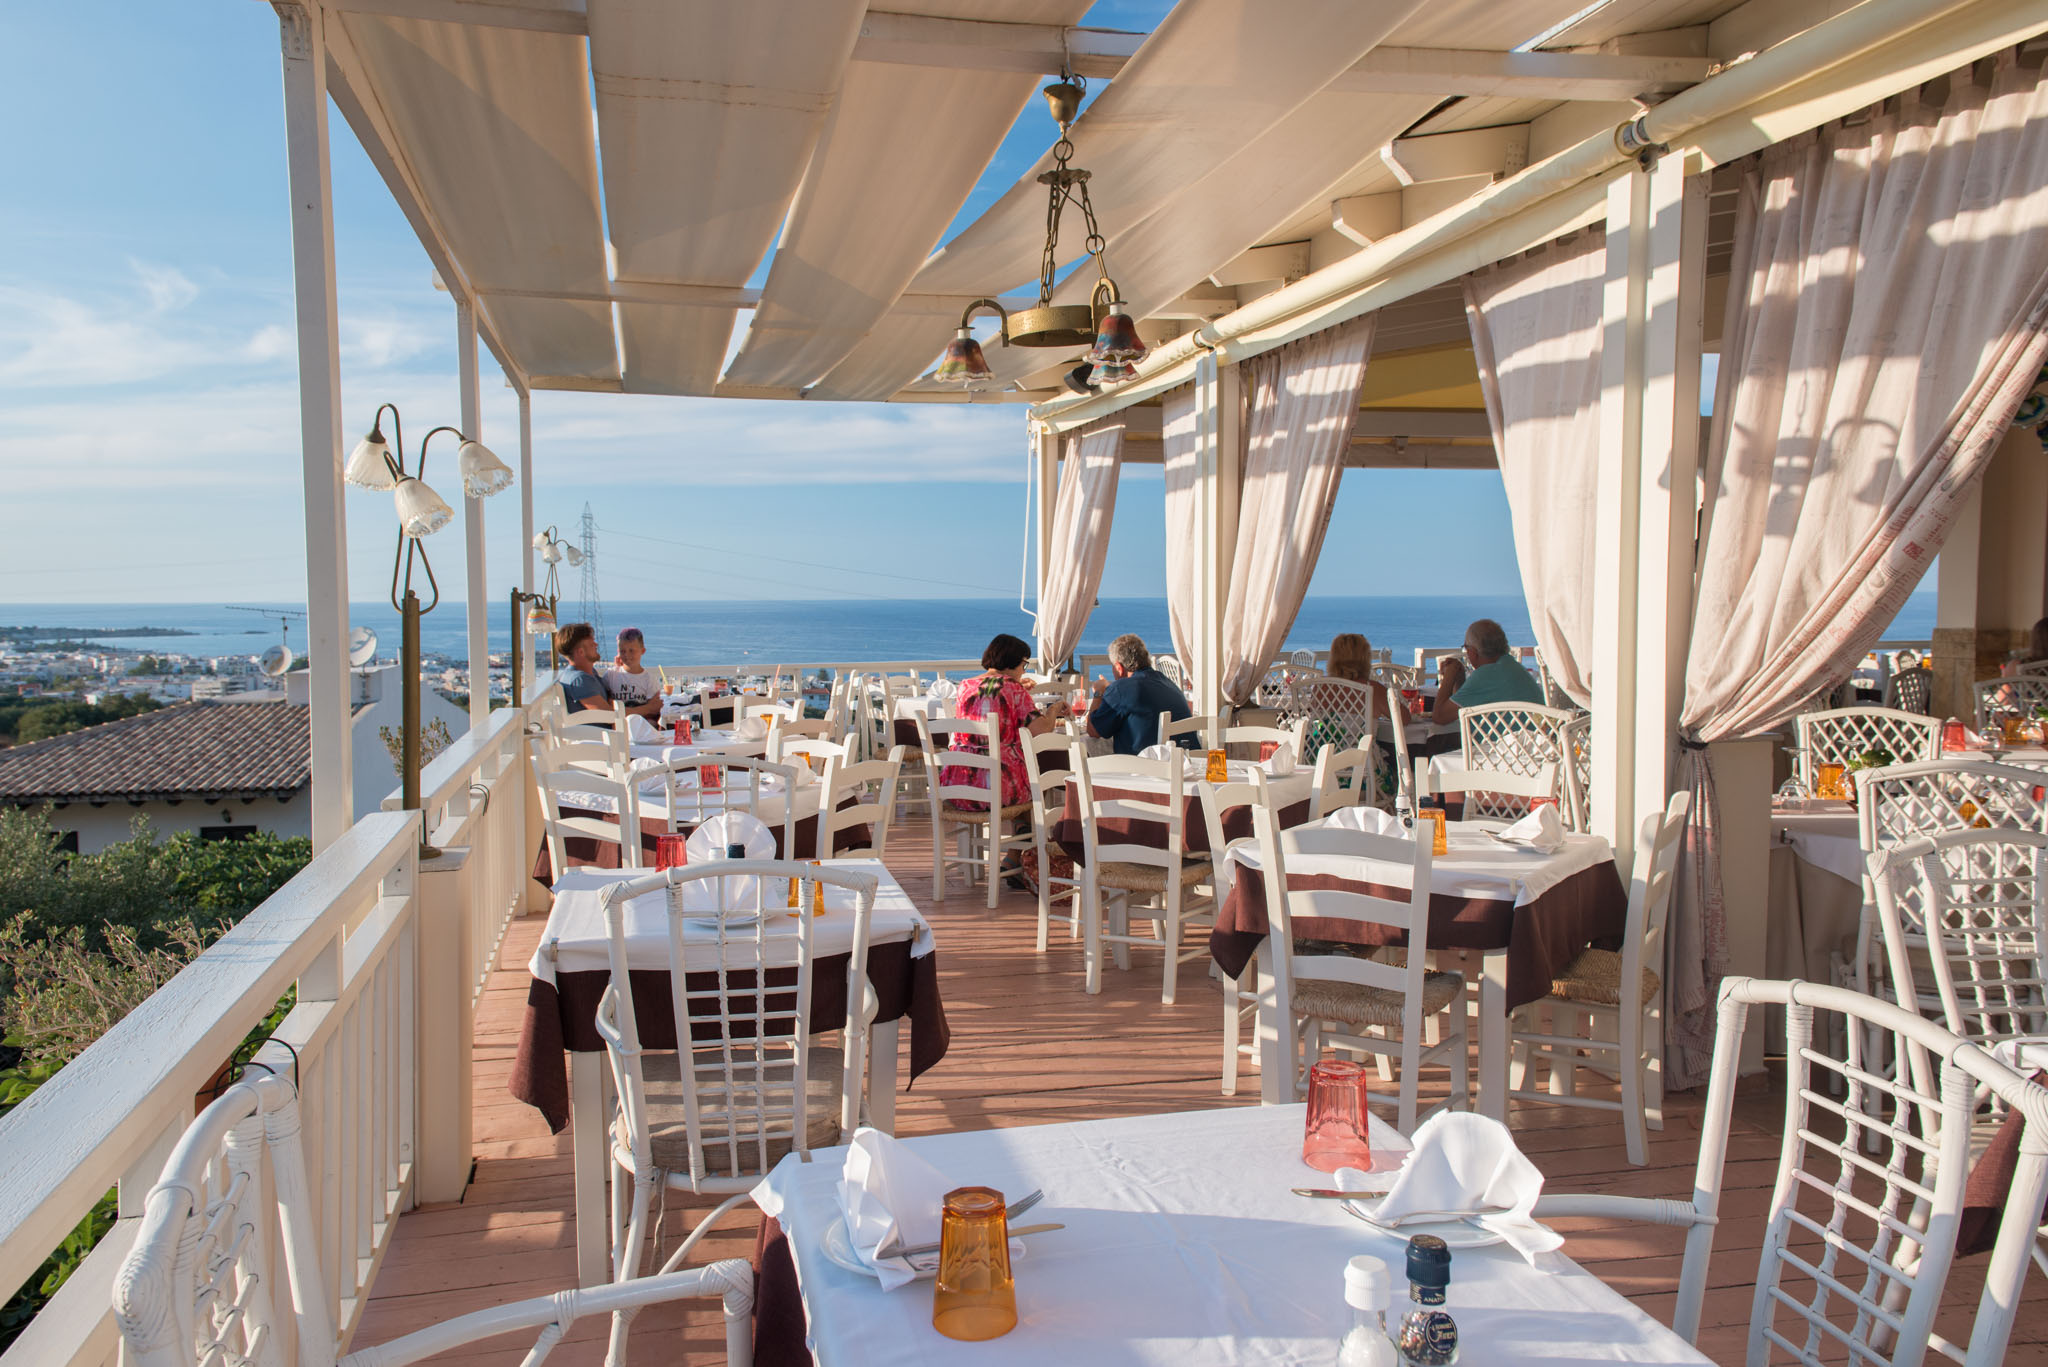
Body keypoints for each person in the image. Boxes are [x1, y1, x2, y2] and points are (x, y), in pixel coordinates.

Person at [941, 633, 1068, 810]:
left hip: (959, 785)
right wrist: (1054, 710)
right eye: (1024, 664)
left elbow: (990, 699)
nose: (1024, 670)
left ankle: (1022, 828)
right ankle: (1027, 831)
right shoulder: (1013, 689)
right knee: (1040, 777)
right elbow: (1042, 730)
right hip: (1000, 788)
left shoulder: (965, 686)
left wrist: (1019, 688)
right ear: (1012, 661)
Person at [1087, 633, 1193, 755]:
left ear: (1118, 668)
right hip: (1186, 763)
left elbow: (1093, 730)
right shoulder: (1169, 683)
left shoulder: (1121, 689)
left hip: (1146, 769)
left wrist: (1098, 693)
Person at [1430, 618, 1544, 726]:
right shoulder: (1512, 666)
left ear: (1473, 652)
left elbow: (1439, 717)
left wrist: (1449, 674)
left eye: (1466, 647)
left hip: (1499, 745)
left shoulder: (1485, 675)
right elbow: (1462, 708)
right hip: (1530, 742)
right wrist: (1459, 677)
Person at [602, 626, 663, 720]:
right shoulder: (611, 675)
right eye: (623, 651)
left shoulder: (649, 680)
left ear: (642, 651)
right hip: (618, 727)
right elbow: (607, 705)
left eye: (631, 651)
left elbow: (654, 710)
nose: (627, 655)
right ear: (618, 652)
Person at [553, 622, 610, 714]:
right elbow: (608, 715)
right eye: (592, 644)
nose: (596, 645)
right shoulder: (580, 680)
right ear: (581, 652)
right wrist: (642, 710)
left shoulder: (589, 672)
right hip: (599, 729)